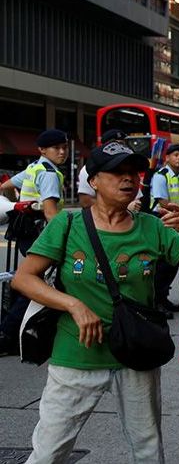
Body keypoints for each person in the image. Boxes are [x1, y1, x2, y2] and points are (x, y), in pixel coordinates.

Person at [11, 141, 179, 464]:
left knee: (147, 450)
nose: (128, 179)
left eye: (134, 173)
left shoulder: (153, 227)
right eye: (117, 172)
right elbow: (23, 278)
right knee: (49, 452)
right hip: (76, 355)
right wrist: (73, 305)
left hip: (135, 353)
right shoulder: (67, 224)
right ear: (94, 181)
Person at [0, 129, 69, 357]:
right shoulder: (48, 173)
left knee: (34, 280)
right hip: (40, 235)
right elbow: (50, 213)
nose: (62, 152)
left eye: (64, 147)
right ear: (42, 150)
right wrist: (67, 236)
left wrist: (18, 206)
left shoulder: (34, 168)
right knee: (35, 284)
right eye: (56, 148)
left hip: (25, 233)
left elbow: (5, 186)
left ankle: (12, 330)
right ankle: (7, 334)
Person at [150, 143, 179, 315]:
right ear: (167, 158)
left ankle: (164, 298)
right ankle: (156, 301)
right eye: (176, 155)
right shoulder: (161, 176)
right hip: (162, 220)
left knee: (173, 261)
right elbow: (162, 201)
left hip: (176, 220)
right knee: (162, 263)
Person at [77, 129, 142, 211]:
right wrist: (121, 207)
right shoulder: (89, 169)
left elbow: (137, 199)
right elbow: (85, 201)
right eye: (114, 145)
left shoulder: (131, 168)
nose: (120, 148)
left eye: (122, 144)